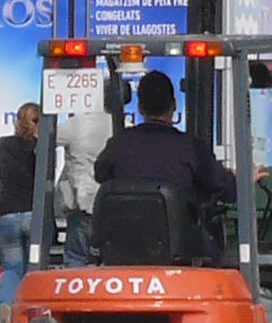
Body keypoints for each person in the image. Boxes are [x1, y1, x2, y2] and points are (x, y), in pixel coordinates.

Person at [94, 66, 237, 224]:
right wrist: (240, 178)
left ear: (140, 108)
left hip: (124, 234)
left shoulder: (118, 144)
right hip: (178, 236)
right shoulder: (191, 148)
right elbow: (224, 187)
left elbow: (101, 175)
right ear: (174, 105)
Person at [49, 56, 122, 263]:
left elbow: (45, 141)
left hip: (83, 202)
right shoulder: (121, 126)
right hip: (112, 204)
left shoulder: (77, 124)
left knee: (77, 260)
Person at [0, 100, 44, 307]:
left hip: (8, 213)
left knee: (11, 269)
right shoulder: (39, 149)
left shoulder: (3, 144)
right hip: (33, 214)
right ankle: (29, 308)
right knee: (34, 269)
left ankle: (5, 305)